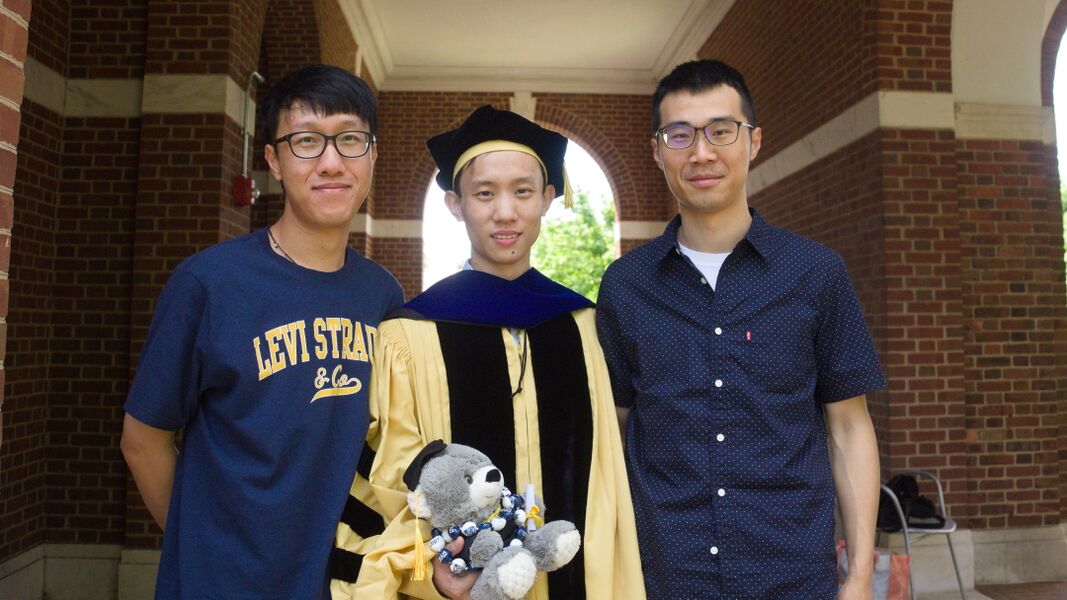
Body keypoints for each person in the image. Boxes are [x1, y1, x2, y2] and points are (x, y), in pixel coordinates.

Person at [329, 105, 645, 600]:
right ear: (455, 204)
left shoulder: (582, 327)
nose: (505, 211)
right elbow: (392, 480)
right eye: (484, 193)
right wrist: (430, 570)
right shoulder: (410, 335)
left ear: (547, 199)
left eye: (522, 191)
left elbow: (608, 484)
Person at [596, 59, 885, 600]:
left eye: (721, 131)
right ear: (657, 151)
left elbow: (849, 428)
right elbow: (613, 431)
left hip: (795, 576)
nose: (701, 153)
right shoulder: (624, 286)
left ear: (753, 141)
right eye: (679, 135)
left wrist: (861, 576)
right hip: (665, 577)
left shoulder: (816, 273)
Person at [120, 64, 404, 600]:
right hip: (224, 583)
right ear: (273, 160)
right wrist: (201, 546)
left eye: (349, 140)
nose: (330, 163)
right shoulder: (208, 283)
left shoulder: (383, 295)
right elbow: (143, 441)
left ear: (371, 154)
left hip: (343, 583)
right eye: (305, 142)